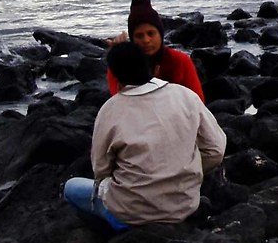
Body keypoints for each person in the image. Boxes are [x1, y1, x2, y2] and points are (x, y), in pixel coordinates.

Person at [66, 41, 227, 230]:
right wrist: (186, 171)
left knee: (71, 187)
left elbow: (100, 170)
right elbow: (216, 149)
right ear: (148, 65)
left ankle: (116, 229)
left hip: (130, 211)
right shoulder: (185, 96)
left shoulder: (110, 110)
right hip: (183, 206)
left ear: (115, 75)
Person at [106, 0, 204, 98]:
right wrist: (118, 56)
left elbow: (197, 101)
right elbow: (117, 100)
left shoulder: (180, 61)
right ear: (132, 39)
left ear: (160, 34)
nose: (146, 40)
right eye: (139, 36)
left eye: (151, 33)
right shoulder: (124, 65)